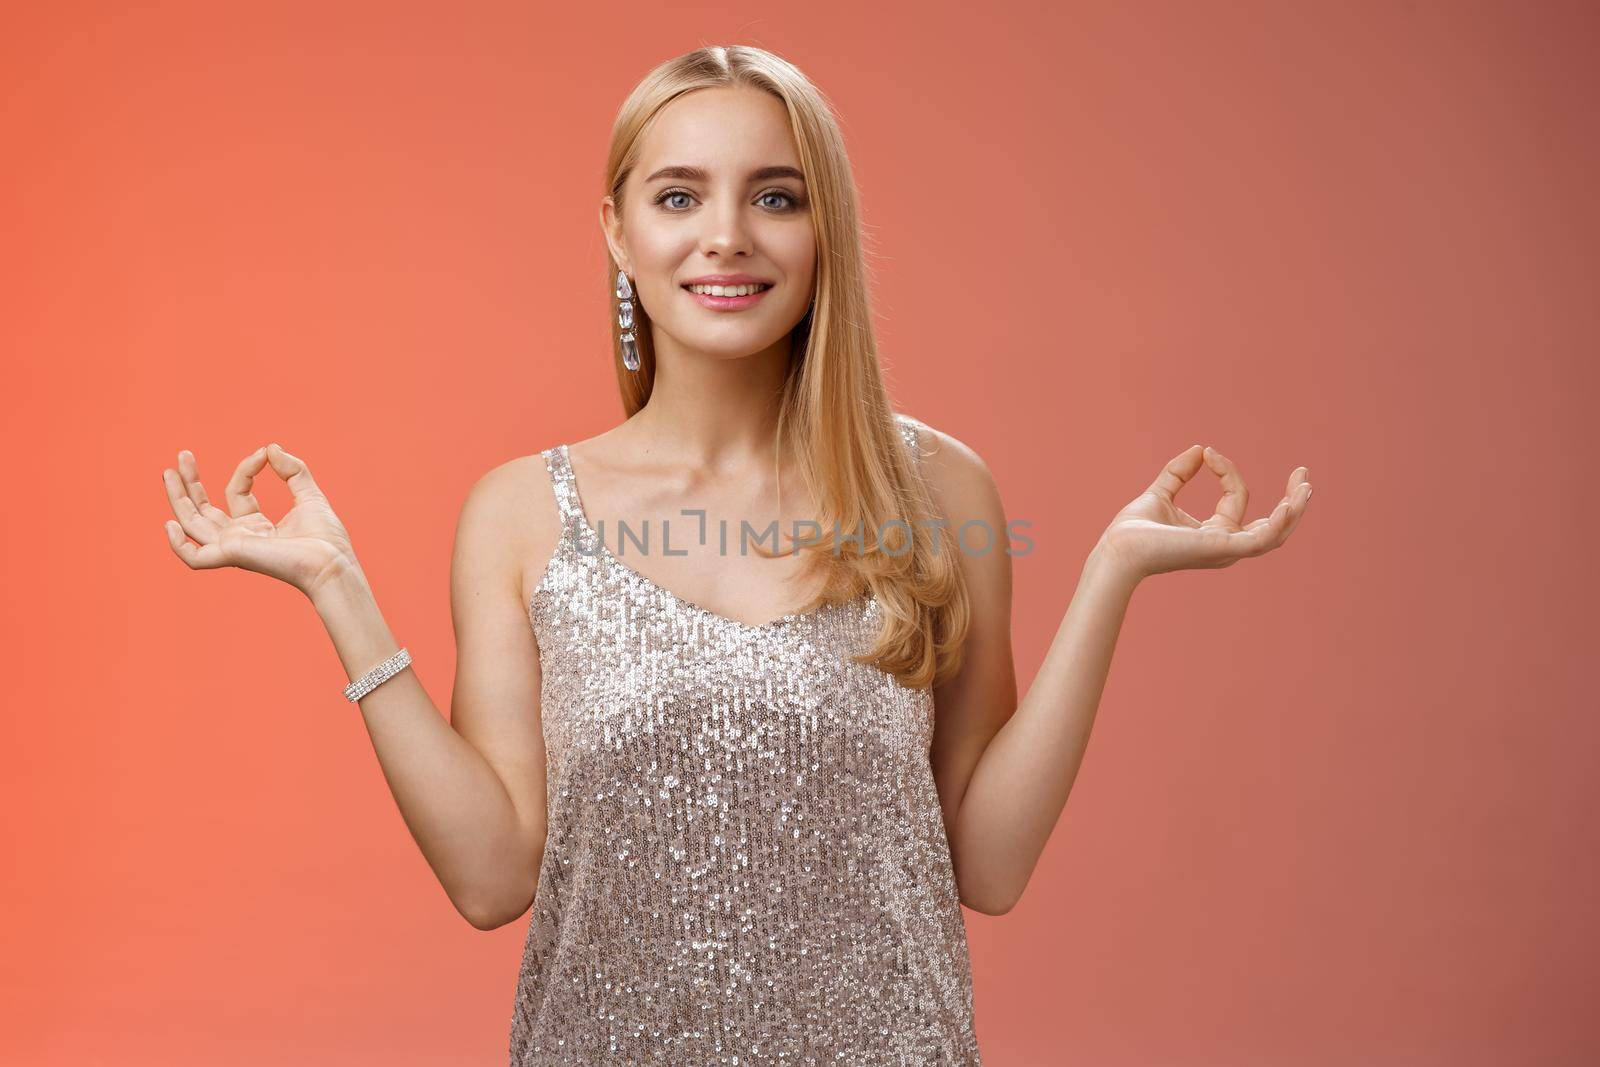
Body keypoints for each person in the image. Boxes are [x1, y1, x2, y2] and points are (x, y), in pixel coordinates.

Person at [159, 44, 1312, 1067]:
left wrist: (1110, 572)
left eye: (775, 196)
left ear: (826, 232)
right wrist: (338, 590)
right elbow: (491, 877)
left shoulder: (938, 492)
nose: (726, 235)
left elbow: (990, 865)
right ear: (618, 229)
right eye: (677, 195)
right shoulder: (519, 512)